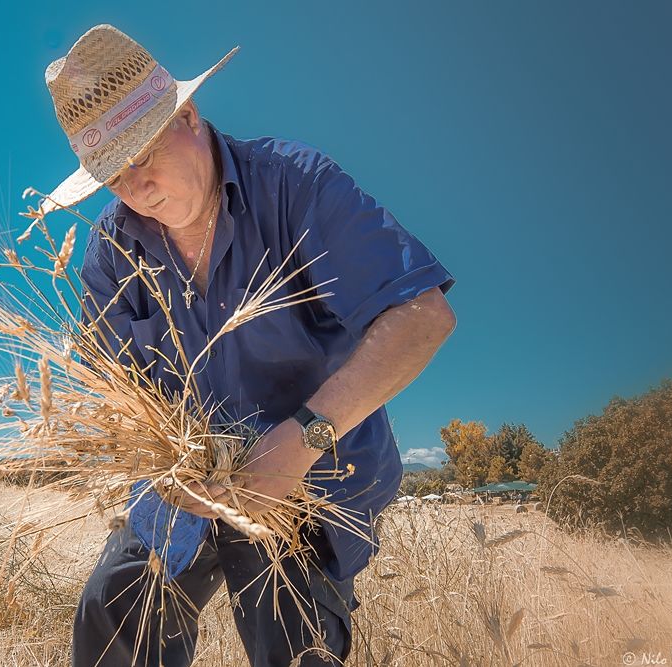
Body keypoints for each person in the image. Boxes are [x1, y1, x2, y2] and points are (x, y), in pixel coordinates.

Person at [41, 25, 457, 667]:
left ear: (188, 115)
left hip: (313, 479)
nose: (137, 186)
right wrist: (162, 458)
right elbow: (115, 384)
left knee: (293, 641)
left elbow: (422, 315)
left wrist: (304, 438)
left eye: (144, 154)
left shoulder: (294, 186)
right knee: (113, 617)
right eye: (114, 174)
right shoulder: (112, 248)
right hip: (184, 480)